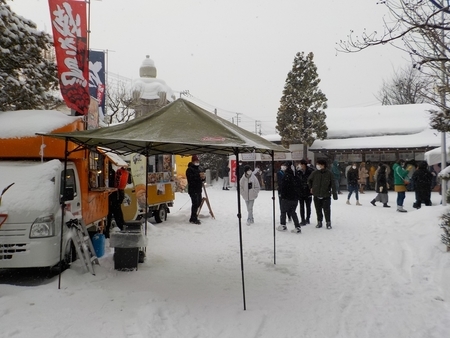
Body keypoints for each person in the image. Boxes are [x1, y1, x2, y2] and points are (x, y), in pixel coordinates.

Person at [307, 159, 338, 229]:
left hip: (326, 194)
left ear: (323, 165)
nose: (317, 166)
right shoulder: (315, 173)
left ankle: (328, 222)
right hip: (316, 194)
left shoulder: (329, 173)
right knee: (318, 209)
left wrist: (334, 194)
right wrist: (311, 188)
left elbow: (333, 184)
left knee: (326, 210)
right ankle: (319, 221)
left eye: (319, 164)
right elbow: (309, 180)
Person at [277, 161, 302, 233]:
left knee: (283, 211)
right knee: (293, 212)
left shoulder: (286, 175)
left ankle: (283, 225)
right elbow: (299, 186)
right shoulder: (296, 175)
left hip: (287, 197)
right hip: (295, 198)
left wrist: (282, 194)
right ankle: (297, 226)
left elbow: (283, 186)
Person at [106, 166, 129, 238]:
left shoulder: (111, 174)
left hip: (112, 199)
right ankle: (123, 228)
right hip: (116, 198)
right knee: (118, 215)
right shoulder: (116, 174)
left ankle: (107, 232)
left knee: (110, 216)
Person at [186, 155, 204, 224]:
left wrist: (203, 177)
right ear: (193, 162)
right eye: (196, 161)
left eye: (198, 161)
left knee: (199, 202)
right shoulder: (189, 169)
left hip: (198, 189)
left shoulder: (199, 169)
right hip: (193, 189)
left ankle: (192, 217)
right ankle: (194, 218)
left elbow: (201, 178)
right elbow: (191, 179)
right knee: (195, 203)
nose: (197, 162)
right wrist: (198, 176)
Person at [296, 159, 314, 225]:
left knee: (308, 206)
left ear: (303, 164)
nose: (300, 165)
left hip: (308, 191)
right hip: (300, 191)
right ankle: (302, 219)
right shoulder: (298, 172)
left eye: (301, 164)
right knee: (301, 206)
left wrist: (310, 187)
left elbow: (312, 181)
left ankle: (308, 218)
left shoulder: (310, 171)